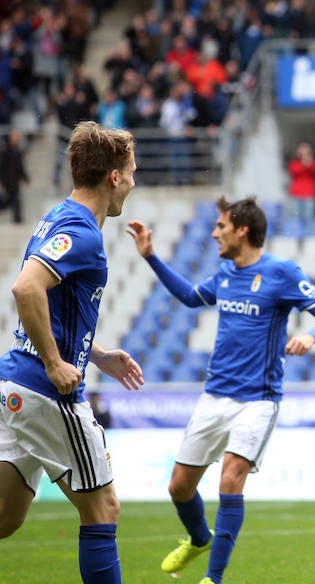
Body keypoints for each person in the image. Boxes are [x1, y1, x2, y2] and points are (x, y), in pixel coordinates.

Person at [127, 196, 315, 584]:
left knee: (230, 478)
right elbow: (192, 297)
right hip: (214, 395)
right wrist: (151, 257)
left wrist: (310, 336)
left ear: (242, 229)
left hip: (257, 399)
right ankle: (198, 538)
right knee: (179, 487)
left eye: (220, 226)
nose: (213, 233)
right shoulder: (225, 273)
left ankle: (214, 578)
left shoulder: (281, 272)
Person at [0, 121, 144, 583]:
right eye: (133, 172)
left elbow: (51, 306)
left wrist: (96, 355)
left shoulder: (56, 216)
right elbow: (26, 288)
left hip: (15, 386)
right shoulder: (82, 232)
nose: (134, 183)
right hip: (45, 392)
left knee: (5, 516)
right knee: (103, 508)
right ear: (114, 177)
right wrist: (56, 362)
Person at [286, 141, 315, 233]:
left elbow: (314, 170)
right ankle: (295, 237)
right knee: (295, 219)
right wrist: (303, 163)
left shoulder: (313, 162)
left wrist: (307, 162)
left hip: (309, 195)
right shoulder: (294, 162)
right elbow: (293, 171)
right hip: (296, 194)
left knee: (309, 219)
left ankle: (308, 240)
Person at [0, 129, 30, 224]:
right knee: (10, 201)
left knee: (15, 201)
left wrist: (26, 178)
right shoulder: (5, 151)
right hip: (7, 181)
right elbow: (2, 166)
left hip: (15, 181)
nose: (17, 138)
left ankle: (18, 220)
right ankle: (17, 220)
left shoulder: (17, 151)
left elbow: (20, 168)